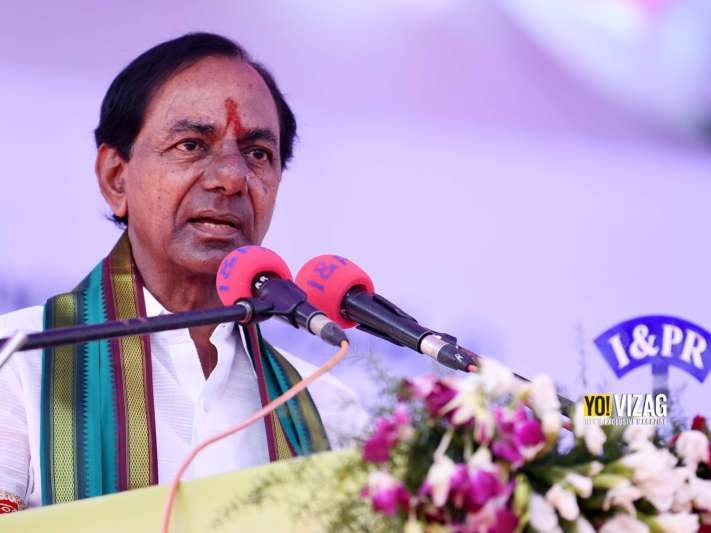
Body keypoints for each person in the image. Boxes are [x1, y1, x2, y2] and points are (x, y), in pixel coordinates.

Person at [0, 32, 367, 513]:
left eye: (258, 154)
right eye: (192, 145)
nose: (231, 178)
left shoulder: (324, 409)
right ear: (116, 177)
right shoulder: (20, 362)